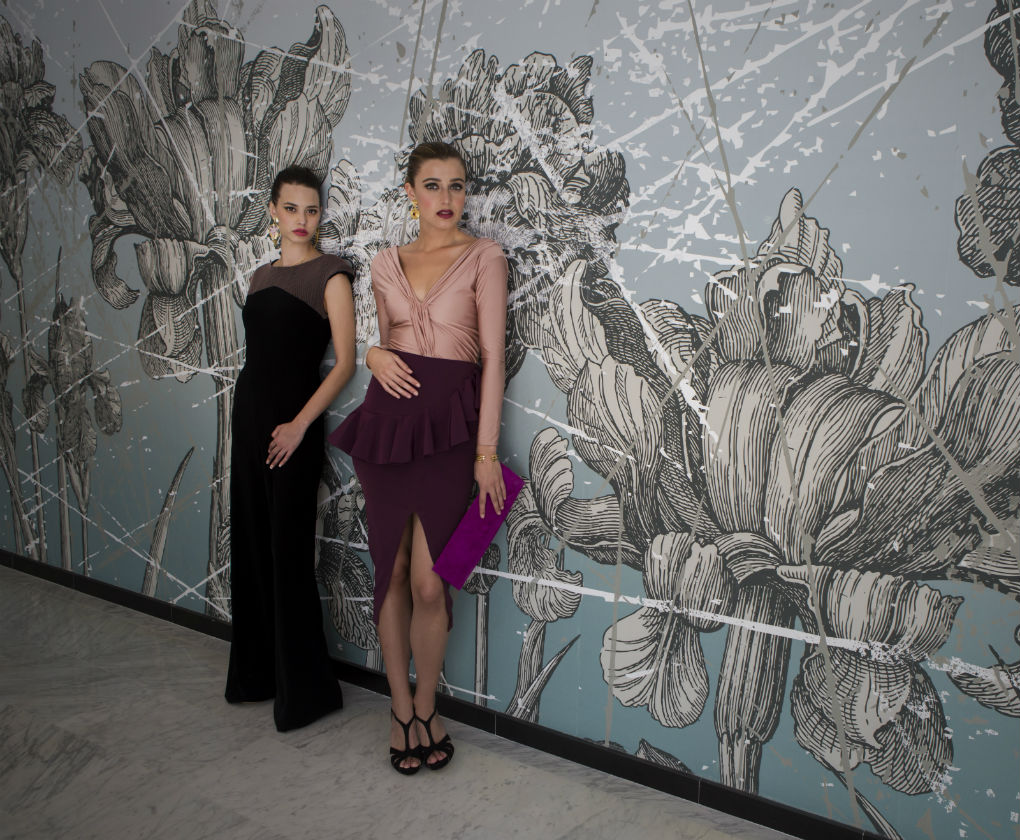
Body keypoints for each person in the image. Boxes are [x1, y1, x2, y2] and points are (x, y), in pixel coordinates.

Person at [330, 141, 508, 773]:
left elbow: (493, 360)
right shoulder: (384, 263)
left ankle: (428, 705)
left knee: (432, 582)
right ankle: (401, 709)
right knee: (393, 570)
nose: (446, 198)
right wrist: (373, 355)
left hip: (452, 432)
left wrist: (487, 451)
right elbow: (385, 343)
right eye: (432, 185)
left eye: (457, 185)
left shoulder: (485, 257)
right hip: (387, 429)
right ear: (410, 193)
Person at [225, 165, 357, 732]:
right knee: (252, 543)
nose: (302, 219)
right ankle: (255, 675)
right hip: (250, 419)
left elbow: (345, 364)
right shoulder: (259, 277)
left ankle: (305, 693)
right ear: (273, 211)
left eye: (312, 210)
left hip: (294, 428)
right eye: (291, 209)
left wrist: (300, 426)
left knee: (287, 549)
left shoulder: (332, 274)